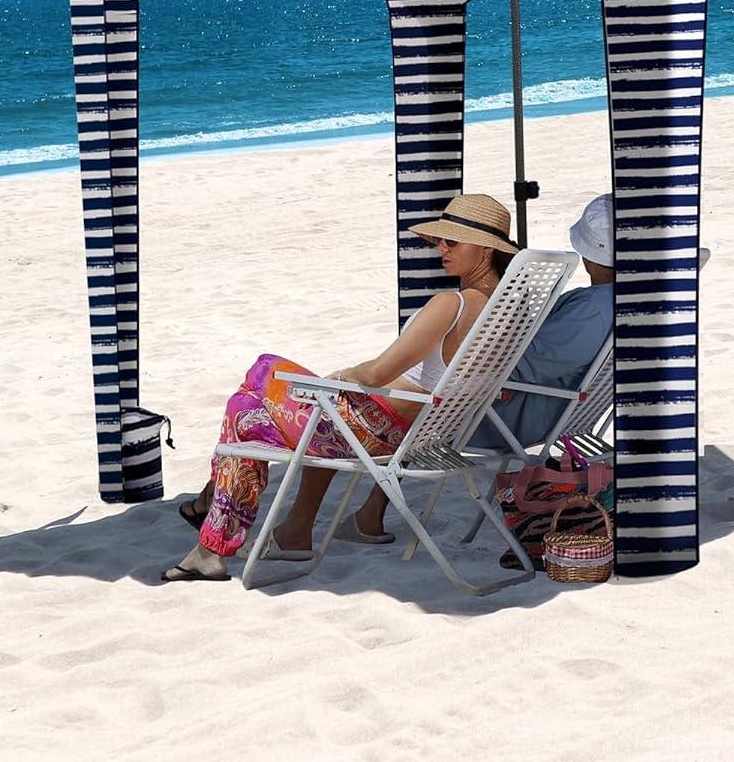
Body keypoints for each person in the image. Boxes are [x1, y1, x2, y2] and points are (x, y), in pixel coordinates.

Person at [163, 193, 519, 583]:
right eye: (440, 239)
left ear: (485, 250)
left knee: (252, 392)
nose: (440, 247)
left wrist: (338, 377)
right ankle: (290, 531)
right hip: (418, 433)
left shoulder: (452, 304)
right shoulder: (506, 312)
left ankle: (211, 540)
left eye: (452, 241)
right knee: (279, 407)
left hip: (369, 432)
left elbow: (376, 375)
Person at [465, 192, 615, 453]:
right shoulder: (638, 302)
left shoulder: (593, 310)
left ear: (589, 257)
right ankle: (381, 493)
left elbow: (520, 367)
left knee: (411, 398)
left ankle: (383, 490)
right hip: (558, 412)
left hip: (510, 420)